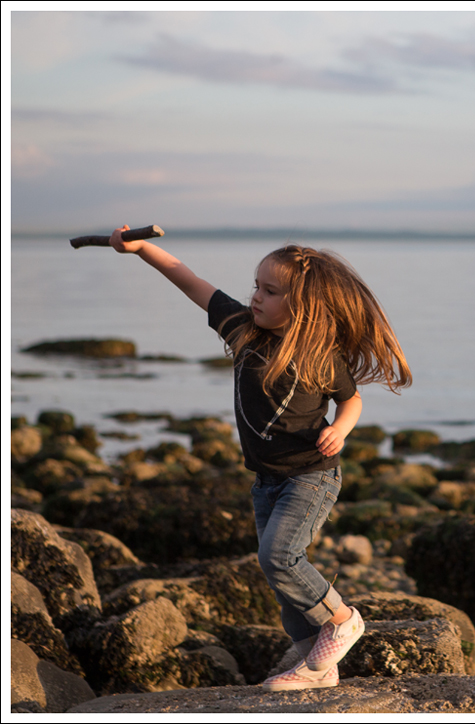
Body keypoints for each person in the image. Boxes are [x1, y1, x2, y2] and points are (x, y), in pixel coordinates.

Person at [109, 225, 412, 691]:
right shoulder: (242, 330)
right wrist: (142, 247)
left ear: (303, 306)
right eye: (256, 285)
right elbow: (188, 279)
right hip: (266, 479)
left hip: (312, 475)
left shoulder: (321, 356)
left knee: (280, 557)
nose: (255, 296)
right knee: (282, 580)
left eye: (270, 291)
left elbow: (351, 401)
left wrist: (340, 430)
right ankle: (318, 664)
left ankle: (343, 620)